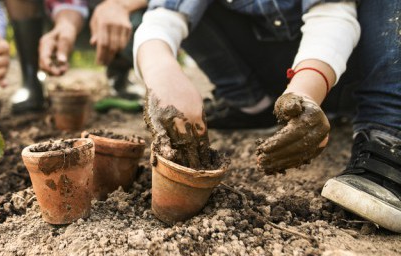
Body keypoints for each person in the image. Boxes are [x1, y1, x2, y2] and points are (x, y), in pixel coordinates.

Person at [134, 0, 400, 232]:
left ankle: (386, 131)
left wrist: (305, 92)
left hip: (347, 67)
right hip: (270, 72)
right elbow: (164, 16)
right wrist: (162, 72)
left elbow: (332, 15)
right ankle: (253, 107)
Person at [5, 0, 147, 113]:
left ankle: (119, 73)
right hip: (63, 17)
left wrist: (120, 4)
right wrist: (67, 25)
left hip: (132, 16)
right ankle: (31, 79)